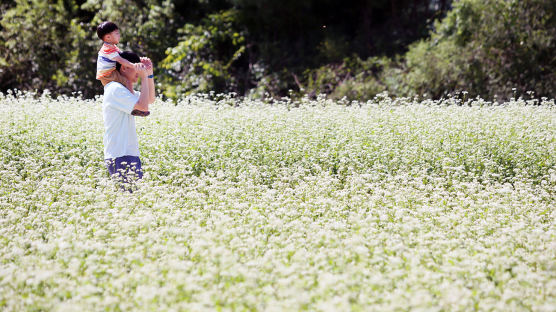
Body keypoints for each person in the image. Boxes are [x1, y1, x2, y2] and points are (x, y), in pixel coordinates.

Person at [103, 51, 155, 188]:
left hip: (128, 153)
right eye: (136, 66)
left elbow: (150, 99)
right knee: (131, 200)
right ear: (124, 67)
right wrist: (143, 78)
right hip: (121, 155)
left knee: (134, 201)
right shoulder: (115, 89)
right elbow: (143, 107)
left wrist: (149, 74)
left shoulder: (124, 91)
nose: (139, 71)